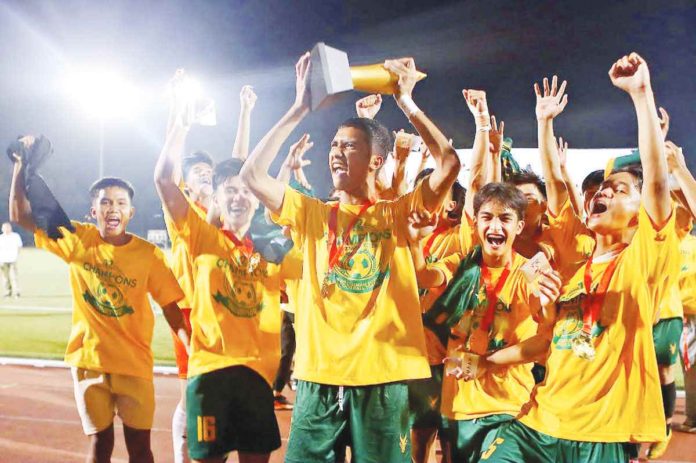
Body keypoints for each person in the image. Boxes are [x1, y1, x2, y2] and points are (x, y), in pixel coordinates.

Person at [240, 53, 461, 462]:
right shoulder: (310, 213)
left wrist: (407, 101)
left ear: (376, 161)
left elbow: (449, 163)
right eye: (335, 144)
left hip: (382, 378)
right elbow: (251, 176)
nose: (337, 152)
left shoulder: (397, 214)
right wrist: (299, 107)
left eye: (350, 146)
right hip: (316, 377)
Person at [483, 53, 680, 463]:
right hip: (541, 423)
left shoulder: (642, 260)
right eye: (603, 188)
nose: (604, 193)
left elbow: (658, 183)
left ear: (642, 211)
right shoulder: (573, 267)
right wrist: (489, 358)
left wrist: (641, 95)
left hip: (600, 435)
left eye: (620, 189)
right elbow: (548, 340)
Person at [8, 136, 190, 463]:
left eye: (120, 203)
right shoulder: (78, 240)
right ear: (93, 211)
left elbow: (171, 307)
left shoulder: (147, 255)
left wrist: (190, 345)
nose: (113, 209)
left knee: (140, 449)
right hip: (89, 363)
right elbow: (21, 214)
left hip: (133, 365)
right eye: (105, 202)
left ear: (131, 212)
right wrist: (21, 166)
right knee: (99, 446)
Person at [155, 85, 289, 463]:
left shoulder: (271, 249)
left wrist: (247, 112)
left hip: (257, 376)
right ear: (215, 196)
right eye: (227, 190)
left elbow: (241, 172)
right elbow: (166, 180)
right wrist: (178, 124)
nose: (238, 195)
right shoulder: (201, 234)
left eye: (246, 191)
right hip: (208, 363)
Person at [412, 182, 560, 463]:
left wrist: (549, 304)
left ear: (519, 226)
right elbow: (424, 277)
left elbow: (544, 340)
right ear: (476, 221)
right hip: (457, 405)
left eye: (505, 218)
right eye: (487, 217)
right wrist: (416, 241)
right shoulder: (462, 264)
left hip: (507, 406)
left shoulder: (530, 272)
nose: (495, 226)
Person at [0, 222, 22, 297]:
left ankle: (17, 291)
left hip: (12, 259)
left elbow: (19, 246)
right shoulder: (1, 238)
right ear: (2, 229)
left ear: (10, 228)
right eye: (5, 228)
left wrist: (16, 255)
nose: (6, 229)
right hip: (3, 260)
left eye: (7, 227)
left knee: (14, 276)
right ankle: (8, 292)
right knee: (5, 277)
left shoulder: (15, 236)